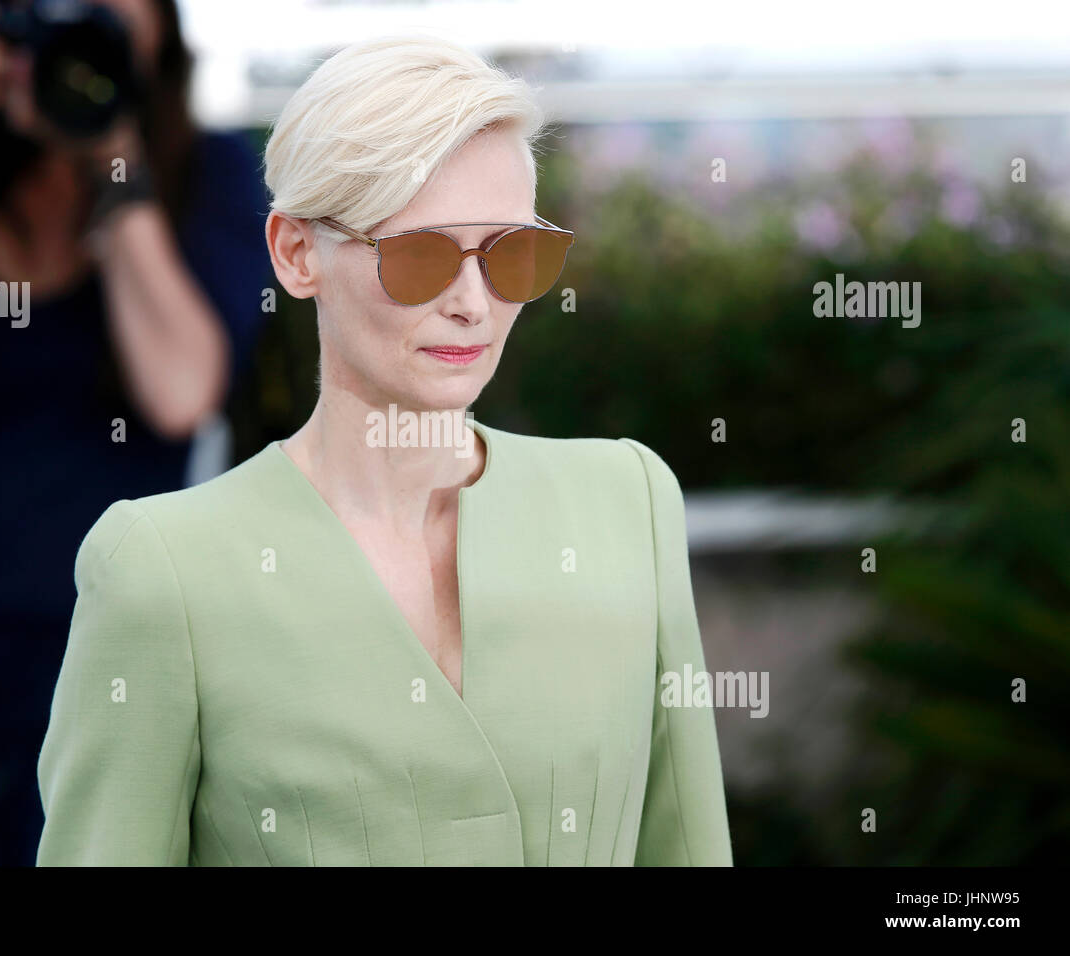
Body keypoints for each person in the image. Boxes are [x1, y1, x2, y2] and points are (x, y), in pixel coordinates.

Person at [36, 33, 733, 866]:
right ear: (297, 253)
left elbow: (688, 846)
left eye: (515, 253)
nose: (474, 303)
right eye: (419, 256)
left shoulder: (629, 505)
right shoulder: (163, 568)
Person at [0, 0, 271, 864]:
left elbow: (183, 394)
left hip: (114, 678)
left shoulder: (205, 172)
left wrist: (116, 167)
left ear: (159, 38)